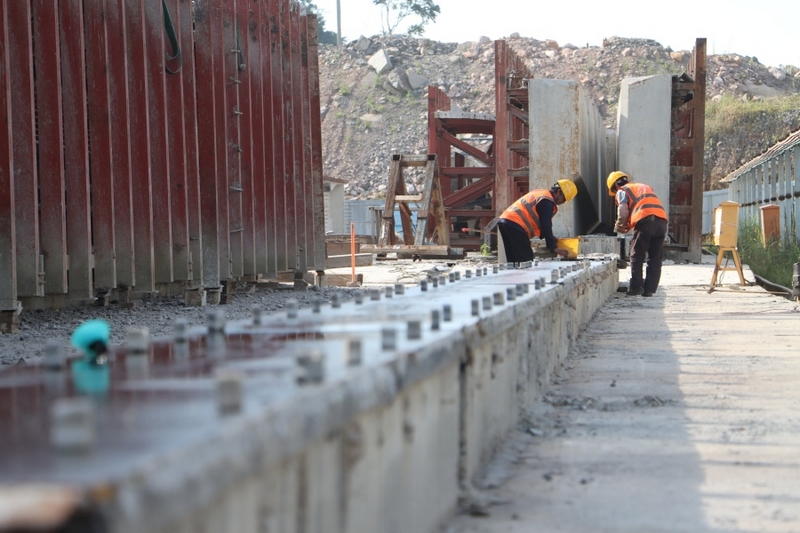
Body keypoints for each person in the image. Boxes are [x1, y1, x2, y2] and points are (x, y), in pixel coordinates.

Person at [606, 171, 668, 297]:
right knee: (655, 257)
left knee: (636, 254)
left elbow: (623, 210)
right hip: (661, 221)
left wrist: (620, 225)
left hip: (645, 220)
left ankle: (636, 286)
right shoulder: (643, 187)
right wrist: (629, 225)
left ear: (615, 186)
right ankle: (649, 289)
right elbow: (642, 205)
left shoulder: (622, 191)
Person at [497, 179, 578, 263]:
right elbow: (546, 224)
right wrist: (554, 248)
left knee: (513, 260)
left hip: (506, 221)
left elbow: (540, 224)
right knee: (526, 260)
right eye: (564, 199)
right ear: (558, 191)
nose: (562, 203)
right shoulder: (547, 201)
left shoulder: (541, 194)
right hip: (516, 224)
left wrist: (553, 239)